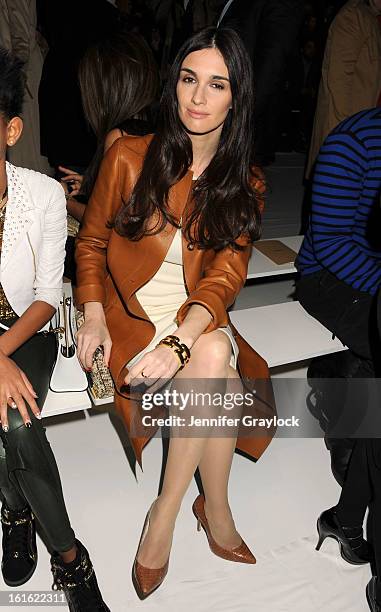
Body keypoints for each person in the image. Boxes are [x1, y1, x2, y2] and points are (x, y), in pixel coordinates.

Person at [75, 27, 275, 599]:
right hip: (131, 320)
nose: (197, 97)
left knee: (210, 350)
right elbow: (89, 242)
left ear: (236, 99)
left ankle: (163, 513)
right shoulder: (128, 157)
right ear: (174, 83)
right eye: (189, 79)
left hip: (197, 321)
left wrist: (180, 343)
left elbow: (224, 278)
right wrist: (91, 312)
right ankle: (215, 511)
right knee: (219, 370)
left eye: (217, 85)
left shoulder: (246, 182)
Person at [0, 48, 109, 611]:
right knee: (10, 429)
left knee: (17, 426)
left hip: (29, 330)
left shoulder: (40, 194)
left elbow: (46, 297)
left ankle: (68, 558)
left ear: (11, 129)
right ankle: (18, 512)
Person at [296, 106, 381, 484]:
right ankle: (347, 434)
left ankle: (338, 371)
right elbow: (330, 244)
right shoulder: (355, 143)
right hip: (327, 276)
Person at [218, 0, 304, 165]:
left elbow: (270, 68)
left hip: (244, 120)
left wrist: (241, 116)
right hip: (230, 110)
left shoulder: (277, 5)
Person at [306, 0, 381, 178]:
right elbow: (338, 79)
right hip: (350, 128)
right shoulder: (353, 16)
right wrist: (346, 136)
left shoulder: (373, 19)